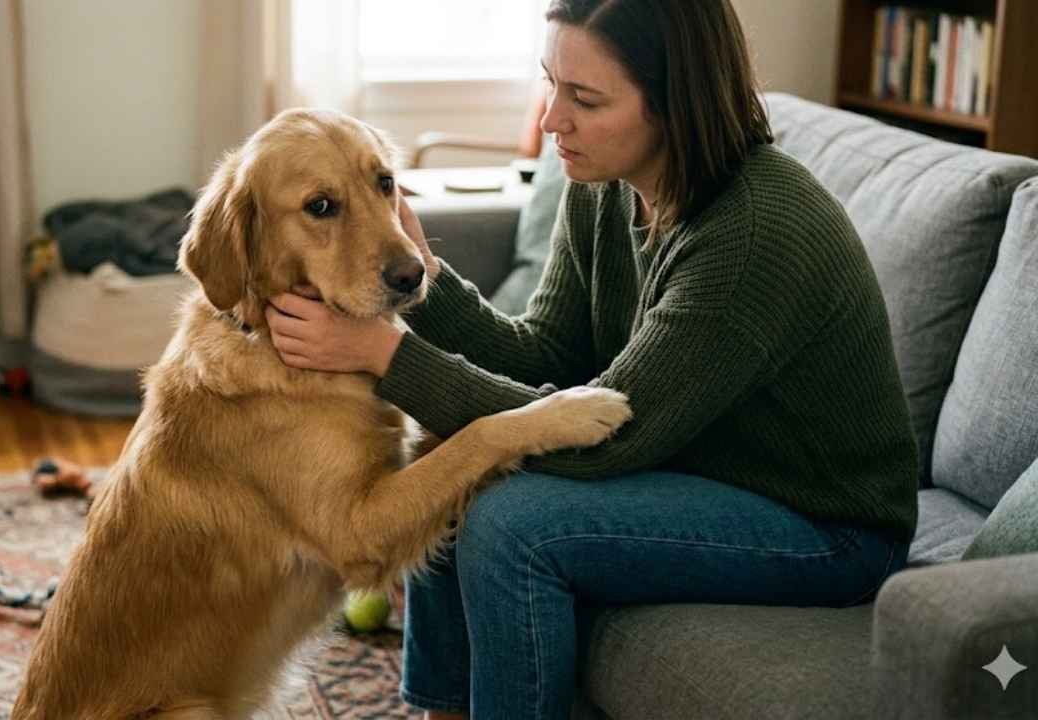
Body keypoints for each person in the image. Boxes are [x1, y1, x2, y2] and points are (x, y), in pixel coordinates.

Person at [264, 0, 919, 717]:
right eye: (552, 84)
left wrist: (392, 355)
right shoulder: (606, 184)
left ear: (676, 104)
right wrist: (428, 279)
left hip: (825, 525)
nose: (550, 122)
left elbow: (609, 440)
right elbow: (546, 353)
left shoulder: (754, 235)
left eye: (585, 99)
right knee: (451, 461)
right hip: (692, 461)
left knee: (512, 522)